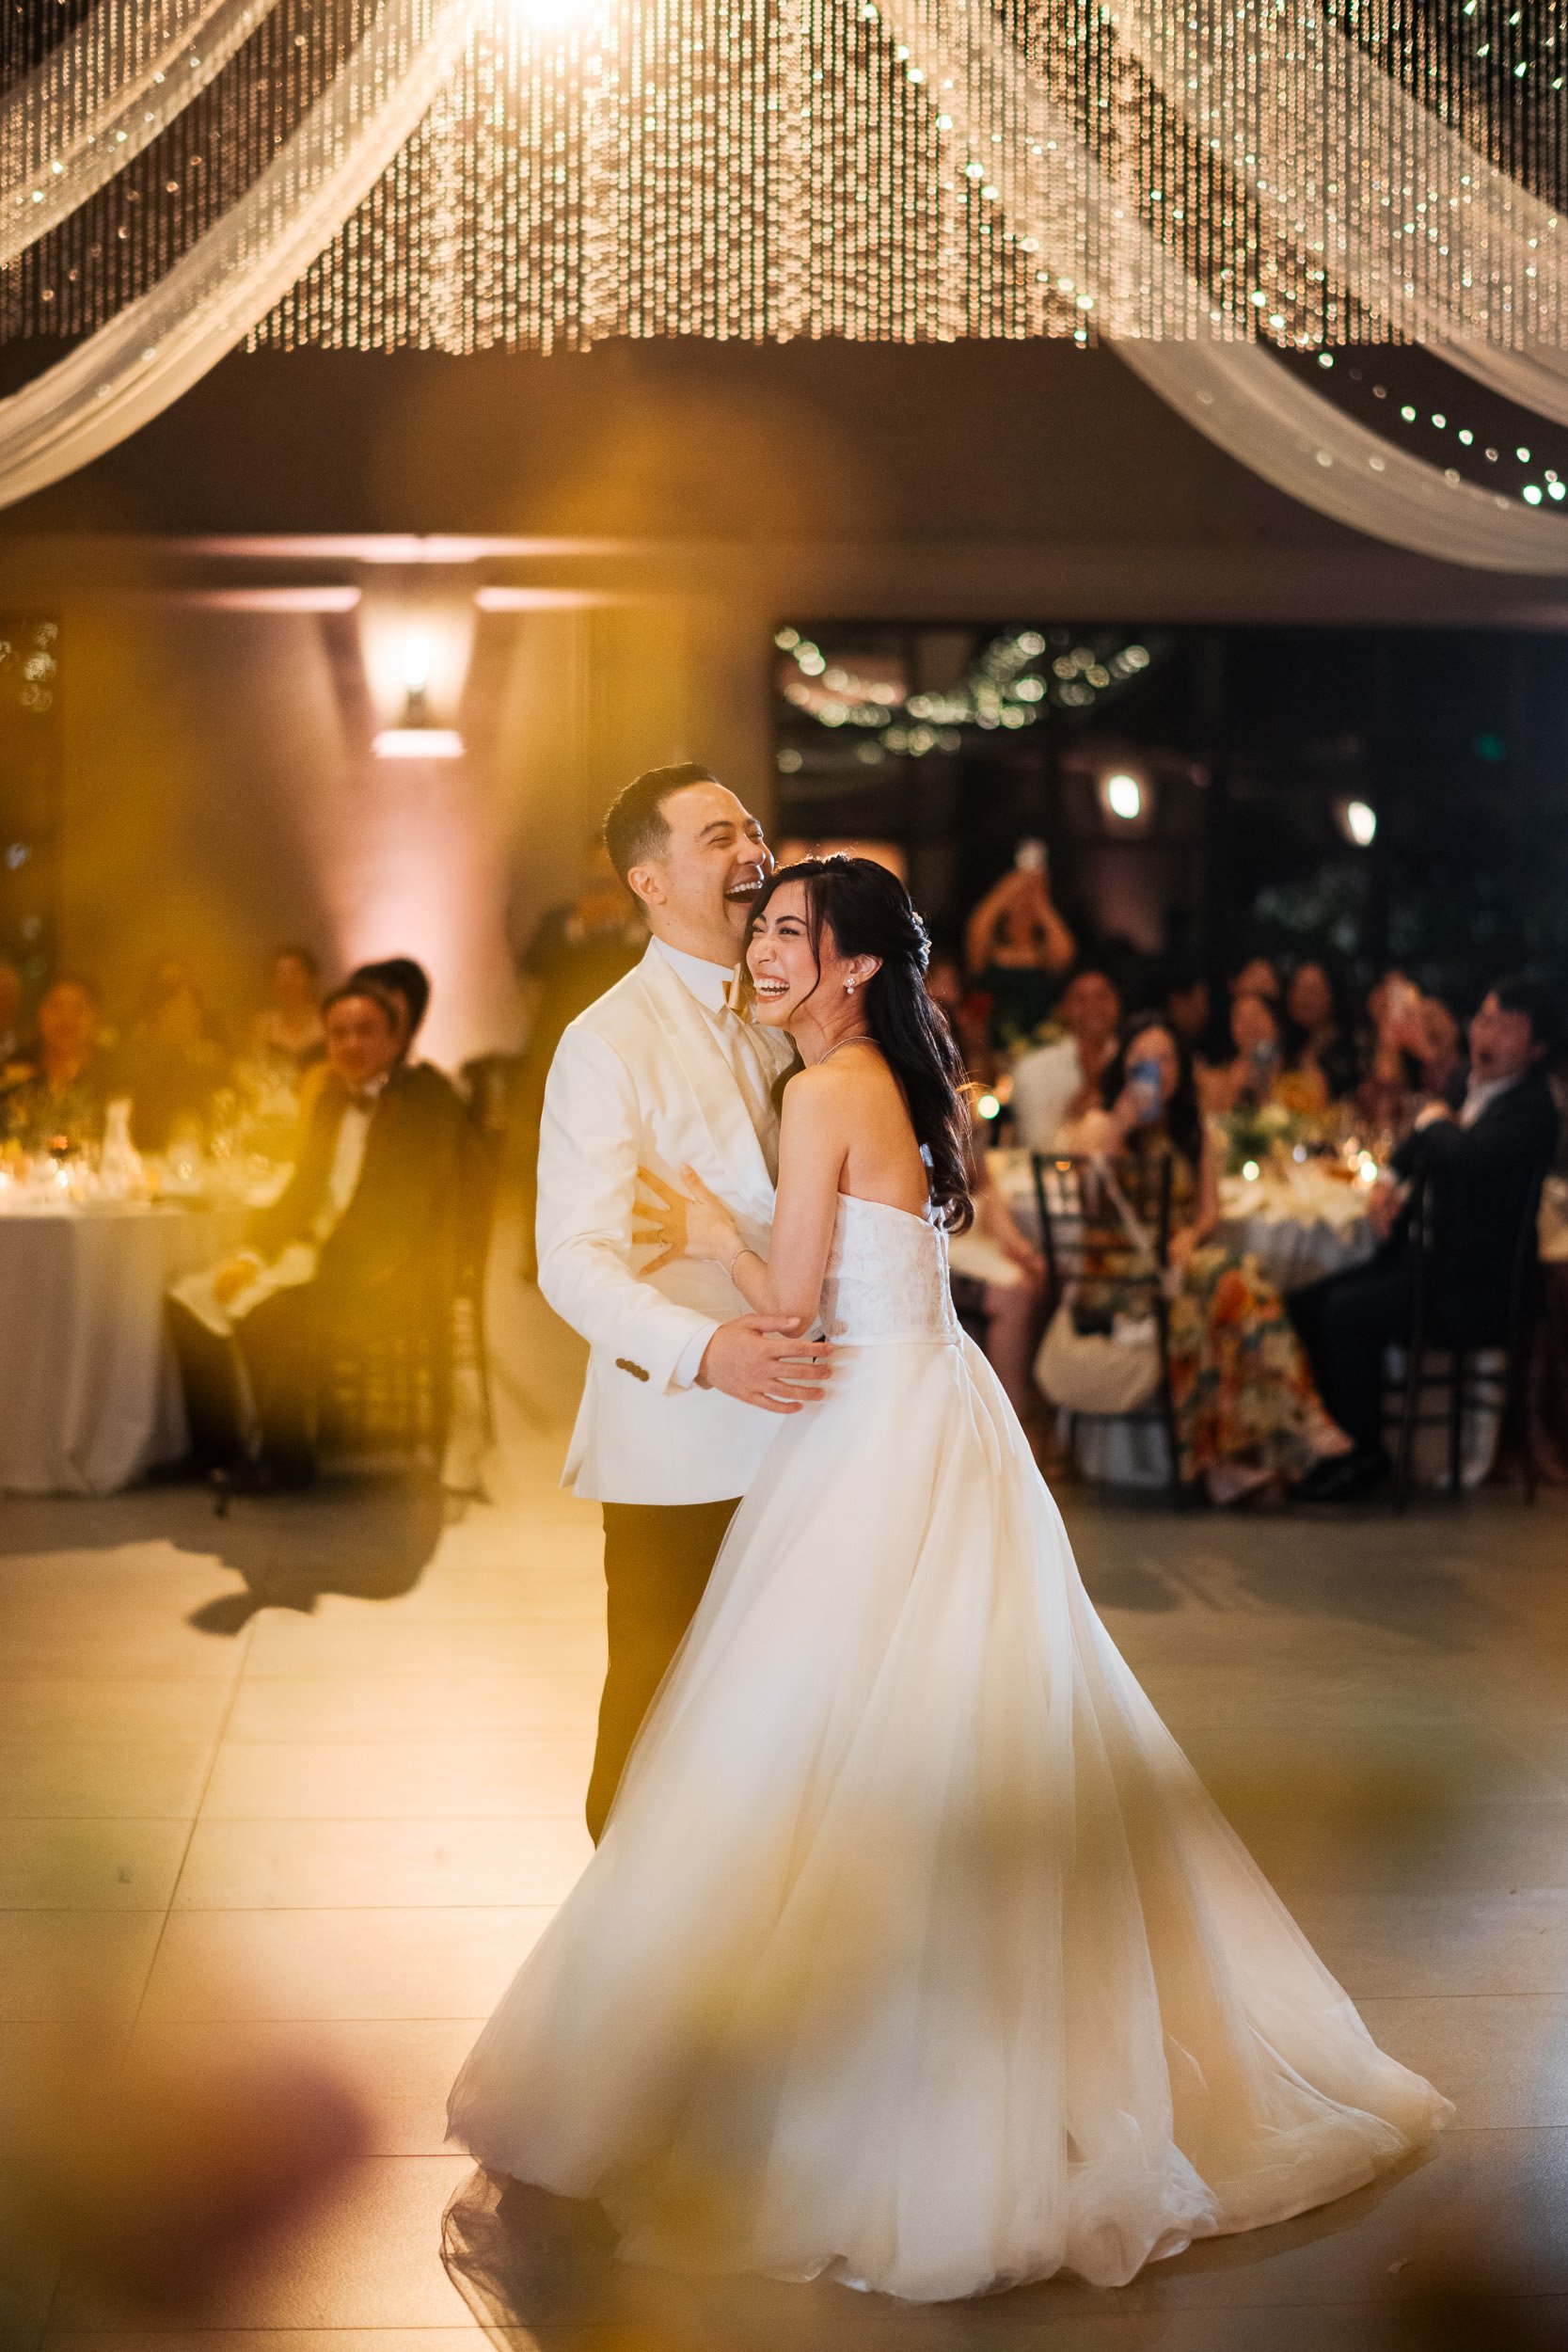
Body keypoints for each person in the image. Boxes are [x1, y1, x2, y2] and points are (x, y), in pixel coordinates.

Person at [448, 858, 1449, 2298]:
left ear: (851, 965)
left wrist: (713, 1239)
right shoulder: (885, 1078)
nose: (767, 948)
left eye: (790, 933)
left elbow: (790, 1305)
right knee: (944, 1724)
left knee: (820, 1741)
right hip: (934, 1410)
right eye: (766, 928)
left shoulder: (821, 1089)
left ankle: (835, 2082)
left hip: (874, 1430)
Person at [529, 763, 833, 1844]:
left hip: (819, 1424)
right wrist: (706, 1350)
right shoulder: (606, 1042)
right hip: (682, 1439)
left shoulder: (805, 1010)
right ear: (649, 881)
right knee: (655, 1719)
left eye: (751, 827)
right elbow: (570, 1257)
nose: (753, 850)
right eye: (719, 837)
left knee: (795, 1722)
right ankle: (617, 1975)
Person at [166, 979, 480, 1489]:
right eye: (339, 1035)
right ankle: (217, 1450)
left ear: (396, 1038)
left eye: (365, 1032)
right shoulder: (333, 1101)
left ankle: (287, 1463)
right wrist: (252, 1254)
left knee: (272, 1309)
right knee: (189, 1300)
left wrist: (296, 1273)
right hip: (313, 1253)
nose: (351, 1045)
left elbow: (397, 1215)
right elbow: (299, 1192)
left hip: (382, 1272)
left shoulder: (425, 1101)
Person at [1291, 976, 1564, 1502]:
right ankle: (1340, 1442)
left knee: (1346, 1312)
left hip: (1476, 1289)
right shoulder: (1468, 1086)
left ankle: (1366, 1453)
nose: (1488, 1034)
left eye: (1508, 1028)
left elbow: (1463, 1152)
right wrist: (1390, 1181)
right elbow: (1419, 1141)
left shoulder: (1533, 1109)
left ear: (1536, 1048)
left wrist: (1433, 1117)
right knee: (1306, 1303)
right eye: (1485, 1018)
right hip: (1428, 1266)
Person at [1063, 1017, 1353, 1503]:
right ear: (1125, 1064)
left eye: (1166, 1059)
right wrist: (1120, 1126)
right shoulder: (1098, 1123)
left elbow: (1209, 1211)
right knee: (1231, 1276)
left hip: (1174, 1268)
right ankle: (1297, 1420)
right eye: (1143, 1060)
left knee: (1223, 1289)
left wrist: (1189, 1237)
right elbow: (1086, 1200)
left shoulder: (1191, 1128)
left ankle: (1220, 1465)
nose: (1156, 1070)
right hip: (1119, 1277)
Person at [512, 843, 647, 1280]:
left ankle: (611, 1258)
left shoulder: (650, 922)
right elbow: (531, 973)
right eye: (597, 875)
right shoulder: (561, 920)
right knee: (550, 1158)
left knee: (621, 1159)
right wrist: (579, 930)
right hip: (555, 1056)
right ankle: (542, 1257)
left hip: (626, 1059)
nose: (606, 884)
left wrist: (631, 929)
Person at [963, 848, 1077, 1050]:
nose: (1023, 906)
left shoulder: (1045, 955)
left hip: (1041, 1048)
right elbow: (977, 928)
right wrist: (1009, 887)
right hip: (993, 1050)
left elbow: (1066, 953)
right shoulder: (989, 953)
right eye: (1018, 900)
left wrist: (1039, 901)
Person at [115, 968, 229, 1152]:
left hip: (197, 1159)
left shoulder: (206, 1058)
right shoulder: (134, 1058)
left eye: (193, 1006)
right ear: (156, 1012)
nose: (188, 1014)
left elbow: (223, 1111)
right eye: (176, 1005)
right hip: (144, 1160)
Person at [1008, 966, 1121, 1151]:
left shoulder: (1134, 1060)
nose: (1093, 1007)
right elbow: (1037, 1149)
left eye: (1102, 996)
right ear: (1062, 1008)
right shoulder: (1033, 1069)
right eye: (1081, 999)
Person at [0, 976, 106, 1151]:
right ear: (39, 1014)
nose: (66, 1019)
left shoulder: (113, 1076)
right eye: (56, 1007)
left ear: (95, 1016)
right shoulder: (14, 1072)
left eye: (78, 1009)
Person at [1280, 960, 1358, 1111]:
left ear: (1333, 995)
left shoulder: (1353, 1046)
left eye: (1312, 990)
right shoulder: (1285, 1043)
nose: (1303, 997)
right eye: (1297, 988)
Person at [1199, 989, 1282, 1117]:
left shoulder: (1302, 1071)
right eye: (1240, 1018)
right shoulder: (1215, 1078)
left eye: (1256, 1015)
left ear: (1275, 1023)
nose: (1249, 1024)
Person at [248, 945, 325, 1079]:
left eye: (295, 973)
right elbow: (254, 1069)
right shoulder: (263, 1025)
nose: (287, 981)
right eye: (280, 974)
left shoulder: (328, 1020)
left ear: (312, 979)